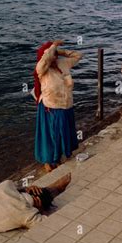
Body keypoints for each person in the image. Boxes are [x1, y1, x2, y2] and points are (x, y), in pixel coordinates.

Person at [33, 41, 83, 173]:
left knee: (63, 133)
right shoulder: (42, 68)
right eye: (52, 54)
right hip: (51, 106)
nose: (54, 57)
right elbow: (44, 61)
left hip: (66, 105)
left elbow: (78, 56)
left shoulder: (62, 63)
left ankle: (58, 157)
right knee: (50, 135)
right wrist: (53, 46)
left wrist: (61, 51)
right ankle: (48, 161)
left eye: (55, 54)